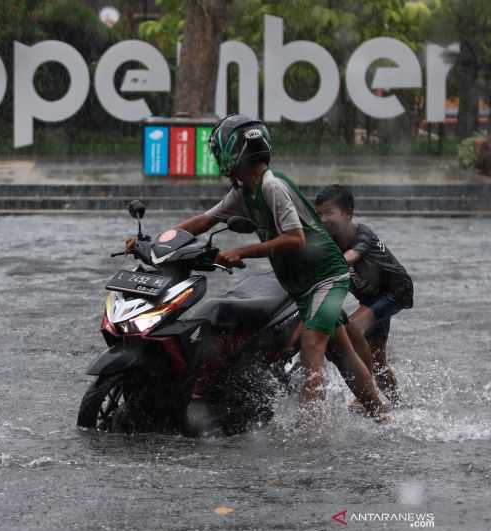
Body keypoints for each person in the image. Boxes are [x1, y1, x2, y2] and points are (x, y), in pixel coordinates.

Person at [128, 114, 386, 426]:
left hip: (325, 278)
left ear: (235, 151)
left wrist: (241, 251)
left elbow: (295, 238)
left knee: (312, 346)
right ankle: (382, 415)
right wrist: (158, 242)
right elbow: (203, 221)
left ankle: (310, 435)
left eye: (219, 152)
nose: (218, 159)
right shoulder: (243, 193)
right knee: (342, 354)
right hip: (302, 285)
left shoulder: (272, 187)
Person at [314, 184, 414, 404]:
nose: (323, 219)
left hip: (396, 291)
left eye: (329, 213)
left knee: (350, 331)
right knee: (378, 359)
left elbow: (351, 256)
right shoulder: (328, 242)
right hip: (371, 299)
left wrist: (326, 264)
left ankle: (365, 394)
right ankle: (399, 404)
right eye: (319, 214)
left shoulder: (363, 234)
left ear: (348, 214)